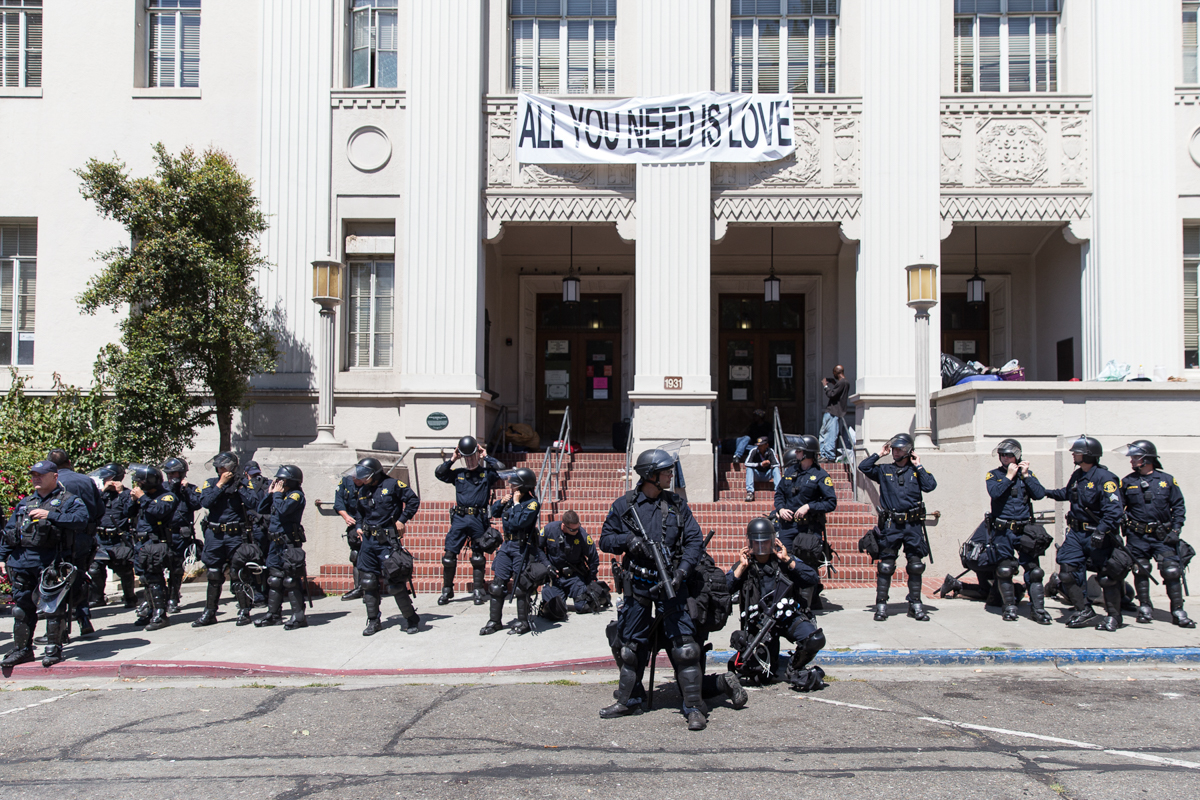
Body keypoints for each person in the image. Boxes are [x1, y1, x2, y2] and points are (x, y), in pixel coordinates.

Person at [598, 448, 708, 731]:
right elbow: (605, 540)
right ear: (650, 475)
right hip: (638, 585)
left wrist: (682, 572)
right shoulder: (624, 506)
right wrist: (628, 542)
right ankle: (629, 700)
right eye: (666, 472)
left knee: (685, 649)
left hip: (672, 583)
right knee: (631, 648)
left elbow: (694, 541)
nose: (671, 475)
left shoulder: (677, 505)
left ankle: (693, 706)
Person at [0, 460, 89, 669]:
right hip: (22, 563)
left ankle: (53, 648)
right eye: (33, 475)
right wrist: (2, 558)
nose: (35, 478)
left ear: (54, 476)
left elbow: (81, 520)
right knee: (21, 609)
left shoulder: (68, 500)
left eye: (40, 474)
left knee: (52, 608)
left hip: (51, 562)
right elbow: (9, 533)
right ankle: (23, 649)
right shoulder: (26, 502)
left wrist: (51, 515)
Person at [726, 518, 826, 691]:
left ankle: (794, 667)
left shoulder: (784, 560)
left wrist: (788, 560)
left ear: (772, 541)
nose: (761, 547)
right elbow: (723, 589)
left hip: (787, 618)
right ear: (749, 543)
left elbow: (812, 578)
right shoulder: (744, 565)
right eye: (756, 543)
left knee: (815, 638)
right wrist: (741, 568)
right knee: (762, 675)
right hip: (761, 627)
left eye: (764, 542)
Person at [1044, 435, 1125, 630]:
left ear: (1089, 455)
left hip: (1098, 535)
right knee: (1067, 572)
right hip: (1077, 534)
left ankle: (1114, 616)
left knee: (1107, 576)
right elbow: (1066, 493)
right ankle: (1084, 610)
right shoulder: (1078, 475)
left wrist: (1102, 531)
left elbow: (1114, 510)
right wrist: (1042, 490)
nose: (1074, 455)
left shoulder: (1106, 479)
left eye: (1077, 452)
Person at [1115, 440, 1195, 628]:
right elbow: (1118, 508)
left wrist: (1176, 530)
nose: (1132, 461)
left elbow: (1179, 507)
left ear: (1146, 459)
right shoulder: (1127, 482)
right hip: (1137, 536)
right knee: (1140, 570)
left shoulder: (1166, 480)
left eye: (1135, 457)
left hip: (1162, 537)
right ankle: (1145, 607)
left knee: (1172, 571)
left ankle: (1177, 610)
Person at [858, 433, 937, 622]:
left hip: (912, 525)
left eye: (899, 449)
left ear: (909, 451)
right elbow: (864, 467)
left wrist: (919, 465)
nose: (895, 452)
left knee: (916, 565)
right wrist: (880, 453)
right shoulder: (884, 470)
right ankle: (882, 604)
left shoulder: (916, 472)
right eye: (893, 449)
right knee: (886, 566)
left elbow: (930, 486)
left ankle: (915, 604)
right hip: (891, 525)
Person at [980, 438, 1053, 624]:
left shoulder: (1026, 475)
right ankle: (1010, 608)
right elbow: (995, 493)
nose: (1005, 458)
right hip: (1003, 530)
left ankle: (1038, 609)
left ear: (1017, 455)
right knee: (1005, 570)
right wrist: (1008, 477)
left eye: (1009, 455)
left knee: (1034, 571)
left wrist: (1026, 475)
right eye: (1002, 455)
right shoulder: (994, 475)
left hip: (1024, 529)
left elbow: (1039, 494)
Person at [353, 457, 422, 636]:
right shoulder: (362, 490)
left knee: (395, 583)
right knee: (368, 582)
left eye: (365, 475)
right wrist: (359, 526)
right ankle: (374, 620)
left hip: (387, 541)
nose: (362, 479)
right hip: (368, 542)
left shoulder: (392, 485)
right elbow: (359, 511)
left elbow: (413, 500)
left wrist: (402, 520)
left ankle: (411, 619)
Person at [434, 436, 504, 606]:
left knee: (478, 556)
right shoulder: (458, 474)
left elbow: (501, 469)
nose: (470, 460)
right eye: (466, 457)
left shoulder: (486, 474)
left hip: (478, 519)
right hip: (460, 518)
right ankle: (447, 590)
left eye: (472, 456)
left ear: (477, 455)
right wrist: (452, 459)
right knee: (449, 555)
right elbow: (439, 473)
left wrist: (486, 456)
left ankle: (478, 590)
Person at [193, 452, 259, 627]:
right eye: (218, 467)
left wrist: (239, 487)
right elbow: (205, 502)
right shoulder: (210, 483)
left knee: (239, 573)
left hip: (235, 535)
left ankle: (244, 611)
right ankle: (209, 612)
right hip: (215, 535)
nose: (220, 470)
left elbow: (254, 502)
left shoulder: (243, 483)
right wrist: (221, 485)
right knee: (213, 573)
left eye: (223, 467)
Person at [480, 468, 548, 635]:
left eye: (514, 485)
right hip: (507, 545)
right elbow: (494, 513)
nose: (511, 487)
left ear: (523, 487)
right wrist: (502, 502)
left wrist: (517, 504)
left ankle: (523, 622)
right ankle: (495, 621)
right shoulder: (511, 500)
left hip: (522, 547)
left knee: (521, 586)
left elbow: (519, 523)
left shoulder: (531, 504)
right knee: (497, 585)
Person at [773, 436, 838, 609]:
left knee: (807, 564)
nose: (796, 453)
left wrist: (809, 506)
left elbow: (831, 502)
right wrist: (780, 509)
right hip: (787, 526)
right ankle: (785, 603)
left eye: (800, 450)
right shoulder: (790, 471)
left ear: (808, 453)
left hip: (808, 528)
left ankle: (805, 606)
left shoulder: (821, 475)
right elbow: (779, 494)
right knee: (783, 561)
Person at [46, 449, 103, 639]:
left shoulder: (52, 482)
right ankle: (84, 618)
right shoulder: (86, 480)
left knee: (59, 580)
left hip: (63, 539)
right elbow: (99, 509)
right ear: (69, 462)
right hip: (85, 537)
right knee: (79, 576)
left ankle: (59, 629)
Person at [255, 465, 309, 630]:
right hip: (275, 543)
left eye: (282, 480)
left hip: (289, 543)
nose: (279, 482)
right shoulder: (280, 495)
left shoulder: (295, 495)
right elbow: (261, 509)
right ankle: (273, 614)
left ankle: (298, 616)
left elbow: (284, 510)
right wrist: (270, 494)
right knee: (275, 579)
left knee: (291, 580)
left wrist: (277, 495)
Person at [130, 464, 181, 633]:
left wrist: (142, 497)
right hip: (141, 543)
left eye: (140, 482)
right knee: (145, 579)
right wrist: (133, 500)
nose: (138, 486)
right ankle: (150, 610)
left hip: (156, 543)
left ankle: (161, 614)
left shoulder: (167, 496)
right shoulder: (142, 497)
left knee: (155, 578)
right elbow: (127, 513)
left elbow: (158, 511)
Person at [537, 509, 608, 620]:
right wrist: (547, 566)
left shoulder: (582, 535)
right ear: (563, 526)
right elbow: (538, 548)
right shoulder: (549, 530)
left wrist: (590, 579)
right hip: (556, 577)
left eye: (577, 528)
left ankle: (603, 596)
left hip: (574, 578)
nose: (576, 531)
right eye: (572, 529)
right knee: (555, 611)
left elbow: (594, 557)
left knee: (583, 607)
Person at [87, 463, 138, 609]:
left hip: (118, 538)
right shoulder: (100, 495)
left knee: (123, 568)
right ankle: (97, 598)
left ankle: (129, 597)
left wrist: (121, 493)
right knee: (95, 569)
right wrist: (103, 491)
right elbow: (92, 508)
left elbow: (130, 511)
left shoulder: (127, 494)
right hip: (100, 538)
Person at [161, 457, 203, 613]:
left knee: (176, 567)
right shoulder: (162, 488)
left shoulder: (191, 489)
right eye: (170, 474)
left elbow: (197, 504)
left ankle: (173, 597)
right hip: (164, 533)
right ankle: (160, 597)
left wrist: (185, 491)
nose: (172, 477)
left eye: (176, 473)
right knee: (159, 565)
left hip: (180, 535)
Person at [333, 469, 364, 601]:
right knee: (355, 555)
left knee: (372, 555)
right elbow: (338, 501)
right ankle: (359, 588)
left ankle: (372, 587)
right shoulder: (346, 481)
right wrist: (345, 515)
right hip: (352, 522)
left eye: (357, 478)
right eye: (353, 478)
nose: (354, 480)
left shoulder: (371, 484)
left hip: (367, 522)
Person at [819, 366, 850, 461]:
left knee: (828, 434)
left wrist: (825, 386)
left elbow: (832, 394)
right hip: (835, 412)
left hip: (833, 412)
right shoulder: (845, 383)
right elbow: (838, 393)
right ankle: (825, 454)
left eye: (834, 373)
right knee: (825, 433)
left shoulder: (842, 382)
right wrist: (834, 384)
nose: (833, 375)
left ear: (836, 372)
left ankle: (828, 456)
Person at [743, 436, 782, 502]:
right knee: (749, 469)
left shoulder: (770, 451)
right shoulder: (754, 451)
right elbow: (746, 463)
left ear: (766, 445)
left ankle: (779, 492)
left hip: (767, 475)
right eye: (758, 445)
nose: (759, 447)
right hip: (757, 474)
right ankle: (750, 492)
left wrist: (769, 464)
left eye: (761, 445)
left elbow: (777, 464)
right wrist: (760, 464)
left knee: (776, 469)